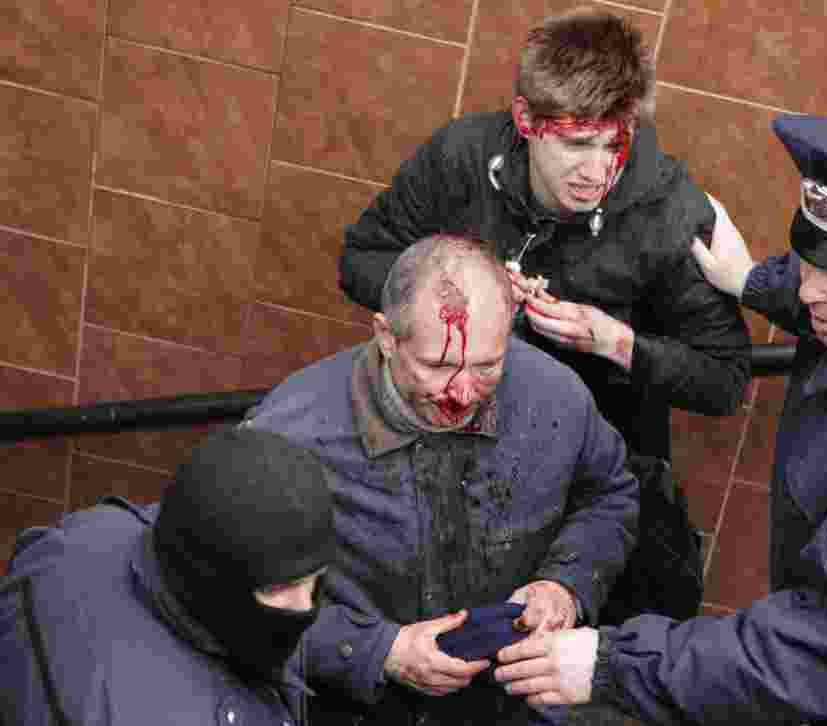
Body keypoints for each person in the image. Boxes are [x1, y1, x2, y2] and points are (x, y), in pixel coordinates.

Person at [492, 115, 827, 725]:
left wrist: (611, 663)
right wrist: (754, 282)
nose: (809, 291)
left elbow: (821, 649)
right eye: (809, 263)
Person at [338, 6, 750, 626]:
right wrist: (457, 286)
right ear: (526, 121)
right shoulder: (462, 157)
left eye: (615, 144)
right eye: (577, 143)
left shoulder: (670, 214)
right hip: (449, 446)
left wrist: (617, 343)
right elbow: (360, 260)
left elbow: (725, 381)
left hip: (590, 475)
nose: (598, 170)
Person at [242, 234, 638, 726]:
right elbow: (234, 598)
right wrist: (379, 650)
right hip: (354, 708)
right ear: (386, 337)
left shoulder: (558, 396)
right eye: (437, 365)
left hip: (514, 703)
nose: (463, 393)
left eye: (488, 367)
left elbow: (609, 496)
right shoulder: (288, 434)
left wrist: (565, 585)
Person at [0, 426, 336, 725]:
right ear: (211, 581)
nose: (305, 606)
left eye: (316, 578)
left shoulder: (91, 531)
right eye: (280, 586)